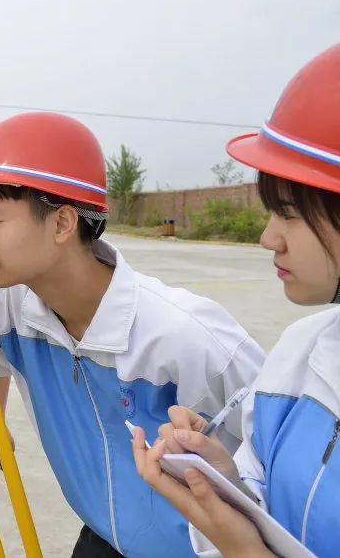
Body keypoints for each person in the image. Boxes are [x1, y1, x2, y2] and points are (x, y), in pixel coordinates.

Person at [0, 112, 265, 557]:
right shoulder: (8, 306)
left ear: (62, 223)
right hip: (100, 538)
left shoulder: (186, 337)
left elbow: (285, 464)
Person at [134, 44, 340, 558]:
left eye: (290, 213)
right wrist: (226, 483)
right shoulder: (301, 352)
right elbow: (273, 501)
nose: (269, 237)